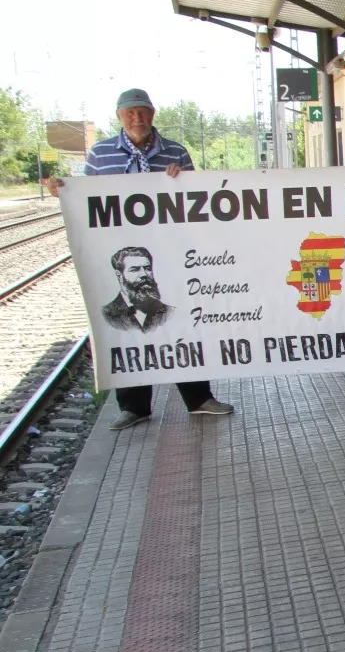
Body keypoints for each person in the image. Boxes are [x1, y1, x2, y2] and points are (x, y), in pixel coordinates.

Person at [51, 88, 234, 430]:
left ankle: (199, 398)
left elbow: (197, 201)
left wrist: (186, 180)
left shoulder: (176, 152)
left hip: (171, 251)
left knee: (180, 321)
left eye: (143, 112)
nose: (137, 118)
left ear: (153, 113)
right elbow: (85, 199)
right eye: (130, 113)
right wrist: (63, 190)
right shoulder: (100, 153)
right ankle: (134, 407)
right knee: (126, 326)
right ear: (119, 116)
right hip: (123, 256)